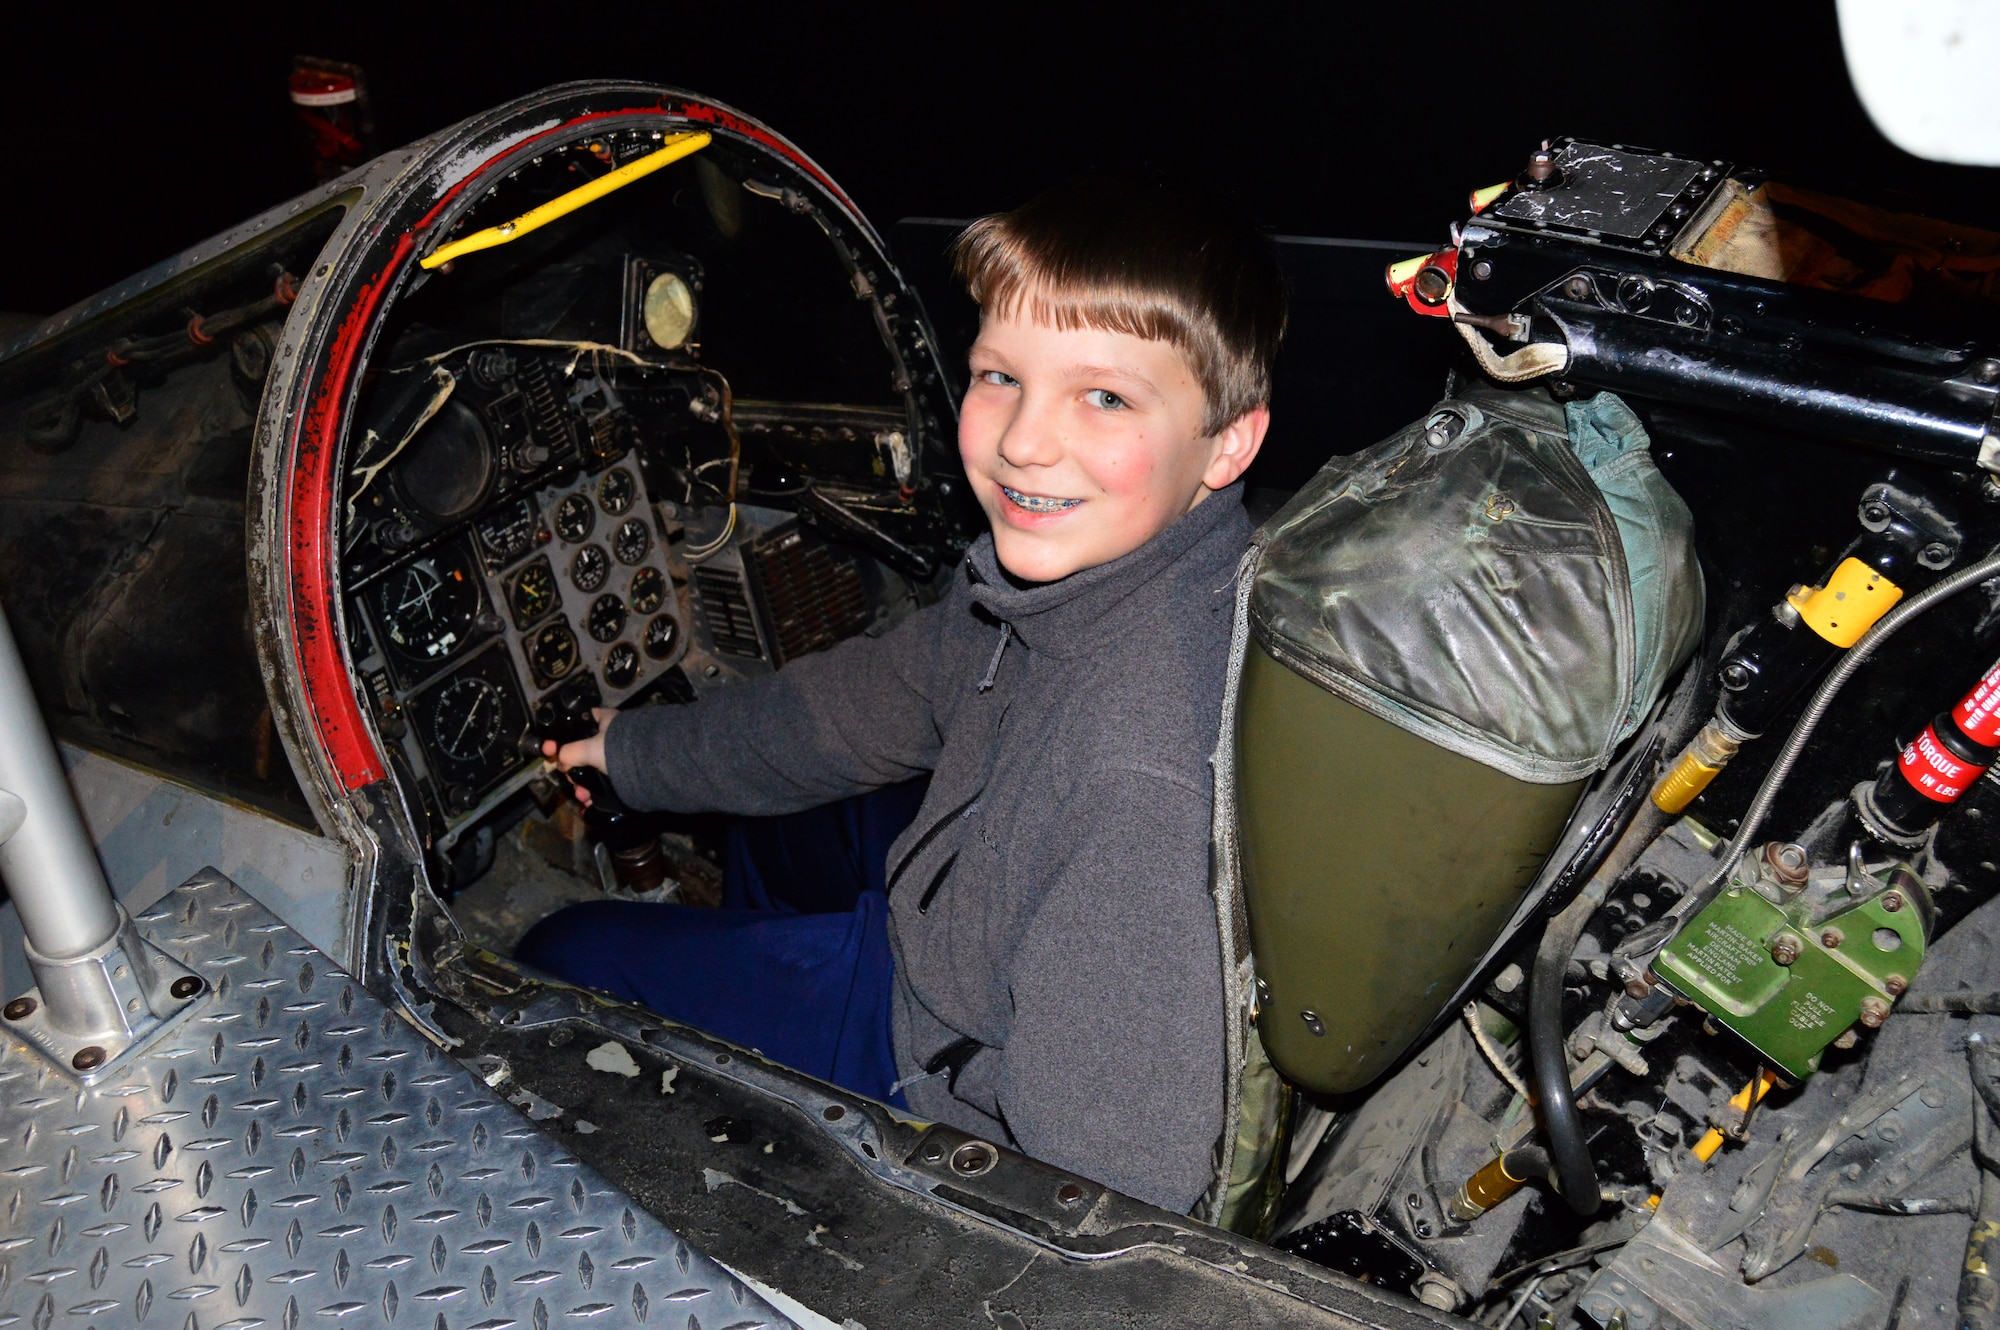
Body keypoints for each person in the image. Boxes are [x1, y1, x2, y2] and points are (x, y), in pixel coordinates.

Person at [523, 176, 1287, 1213]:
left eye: (1103, 397)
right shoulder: (1071, 583)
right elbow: (863, 703)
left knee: (557, 958)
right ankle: (762, 1035)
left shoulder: (1136, 787)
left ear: (1229, 442)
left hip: (932, 1076)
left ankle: (781, 1126)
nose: (1024, 441)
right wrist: (634, 752)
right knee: (771, 828)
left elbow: (1101, 1206)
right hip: (957, 929)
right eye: (999, 376)